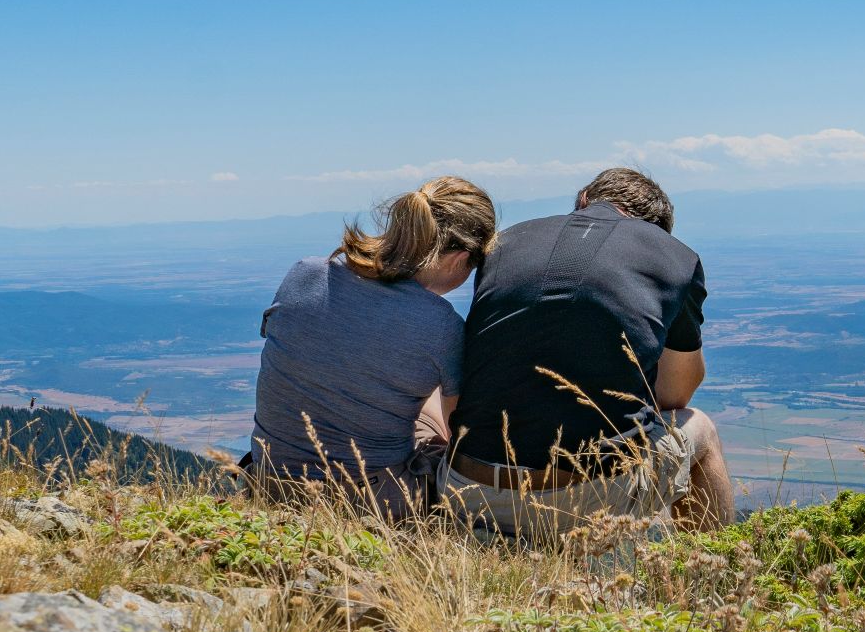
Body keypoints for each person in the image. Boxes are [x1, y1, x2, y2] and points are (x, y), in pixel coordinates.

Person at [441, 167, 734, 539]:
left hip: (466, 489)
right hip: (583, 500)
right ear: (656, 229)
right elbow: (676, 394)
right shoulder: (678, 258)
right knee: (700, 429)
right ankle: (710, 575)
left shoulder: (505, 242)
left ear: (583, 202)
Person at [246, 176, 496, 519]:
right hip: (366, 501)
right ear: (459, 258)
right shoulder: (441, 326)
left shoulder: (304, 274)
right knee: (434, 419)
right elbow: (460, 435)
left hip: (267, 479)